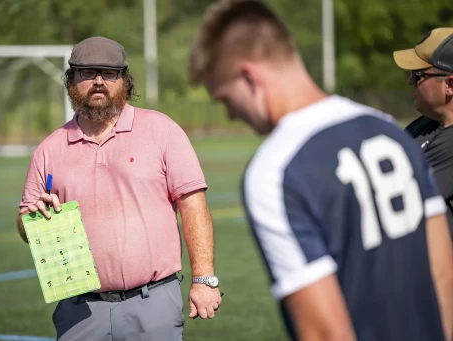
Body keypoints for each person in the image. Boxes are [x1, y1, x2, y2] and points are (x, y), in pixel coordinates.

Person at [188, 1, 453, 340]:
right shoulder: (385, 127)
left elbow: (325, 332)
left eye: (224, 99)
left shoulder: (274, 170)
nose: (229, 116)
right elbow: (441, 267)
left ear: (249, 77)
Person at [16, 36, 222, 341]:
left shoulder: (161, 130)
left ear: (125, 81)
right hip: (80, 310)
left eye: (109, 73)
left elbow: (194, 205)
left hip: (152, 304)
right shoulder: (49, 149)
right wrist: (32, 220)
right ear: (70, 80)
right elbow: (24, 223)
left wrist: (204, 278)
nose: (98, 81)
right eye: (87, 73)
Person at [393, 28, 453, 239]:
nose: (410, 81)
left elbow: (402, 204)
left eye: (418, 75)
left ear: (450, 85)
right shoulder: (424, 125)